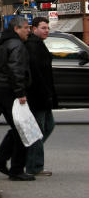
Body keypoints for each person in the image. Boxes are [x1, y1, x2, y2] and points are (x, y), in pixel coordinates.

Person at [0, 15, 34, 181]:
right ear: (16, 29)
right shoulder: (16, 45)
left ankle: (1, 160)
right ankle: (16, 169)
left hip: (0, 89)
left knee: (16, 128)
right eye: (26, 28)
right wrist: (20, 93)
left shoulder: (1, 43)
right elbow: (16, 70)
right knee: (22, 129)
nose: (28, 31)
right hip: (10, 91)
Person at [25, 17, 57, 176]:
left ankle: (31, 156)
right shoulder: (32, 46)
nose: (46, 31)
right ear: (34, 29)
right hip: (37, 96)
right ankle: (34, 166)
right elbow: (36, 74)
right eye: (43, 28)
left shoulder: (38, 44)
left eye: (47, 28)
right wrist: (45, 93)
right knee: (38, 131)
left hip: (44, 95)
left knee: (48, 126)